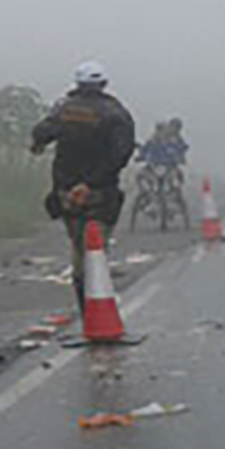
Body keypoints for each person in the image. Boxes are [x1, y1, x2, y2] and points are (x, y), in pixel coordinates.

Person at [30, 61, 136, 313]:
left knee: (79, 248)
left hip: (67, 192)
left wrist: (40, 142)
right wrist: (91, 183)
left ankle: (86, 310)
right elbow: (122, 152)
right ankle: (99, 310)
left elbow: (41, 132)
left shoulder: (64, 108)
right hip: (99, 193)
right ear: (103, 84)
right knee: (97, 249)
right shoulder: (115, 112)